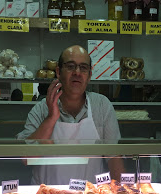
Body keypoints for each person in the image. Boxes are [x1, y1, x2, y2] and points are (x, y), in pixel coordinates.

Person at [17, 45, 124, 185]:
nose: (77, 73)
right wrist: (51, 118)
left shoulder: (102, 106)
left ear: (89, 75)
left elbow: (114, 156)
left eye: (83, 68)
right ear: (58, 72)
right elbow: (26, 158)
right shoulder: (41, 109)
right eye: (70, 66)